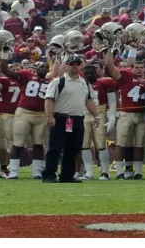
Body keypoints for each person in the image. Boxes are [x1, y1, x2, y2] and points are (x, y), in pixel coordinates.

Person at [41, 54, 101, 183]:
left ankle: (67, 175)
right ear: (66, 66)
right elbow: (49, 100)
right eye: (71, 64)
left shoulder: (84, 82)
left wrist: (96, 115)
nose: (74, 67)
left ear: (80, 66)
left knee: (73, 149)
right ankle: (49, 174)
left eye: (77, 64)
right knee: (54, 148)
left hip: (78, 119)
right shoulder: (58, 82)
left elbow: (89, 100)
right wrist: (50, 116)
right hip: (60, 118)